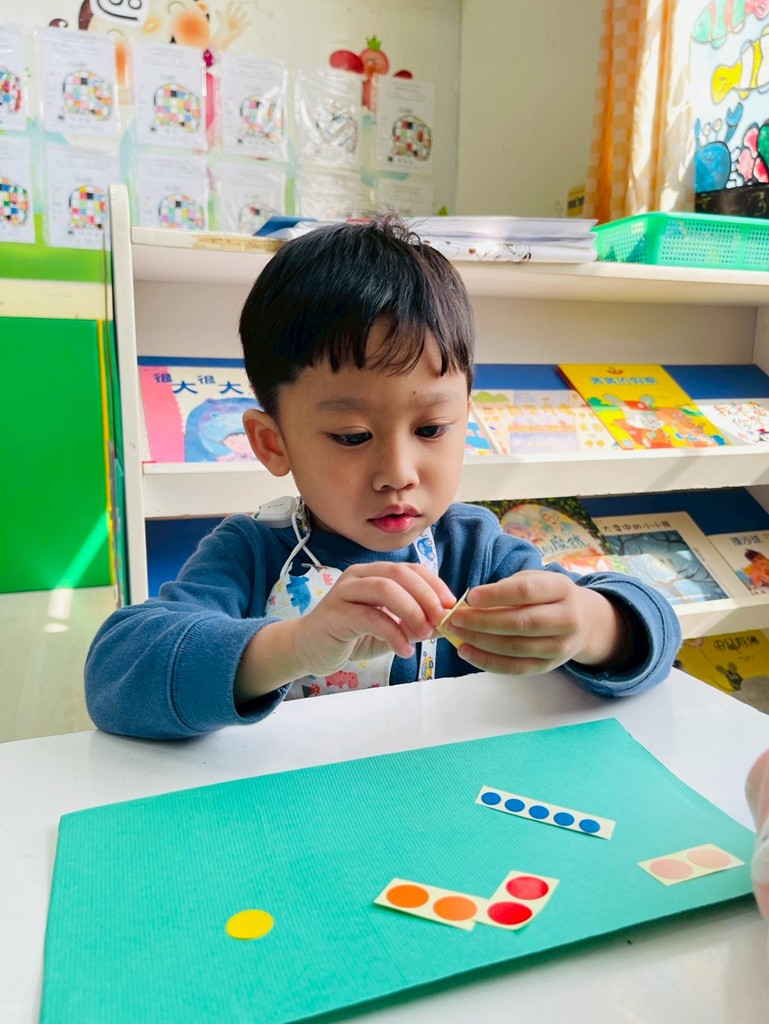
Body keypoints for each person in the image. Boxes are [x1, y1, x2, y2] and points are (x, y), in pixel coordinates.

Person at [85, 215, 682, 739]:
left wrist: (595, 627)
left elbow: (656, 625)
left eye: (432, 429)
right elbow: (114, 675)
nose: (397, 474)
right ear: (273, 442)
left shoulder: (475, 552)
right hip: (290, 808)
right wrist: (293, 646)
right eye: (352, 436)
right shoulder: (250, 553)